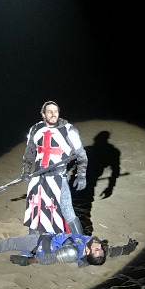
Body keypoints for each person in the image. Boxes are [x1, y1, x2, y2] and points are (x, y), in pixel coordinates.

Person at [21, 101, 88, 235]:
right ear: (43, 114)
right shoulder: (35, 129)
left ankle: (81, 245)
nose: (53, 115)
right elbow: (29, 153)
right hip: (38, 177)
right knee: (35, 212)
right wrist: (26, 171)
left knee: (67, 211)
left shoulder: (69, 130)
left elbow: (81, 155)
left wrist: (81, 175)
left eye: (56, 111)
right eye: (50, 112)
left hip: (58, 177)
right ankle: (32, 246)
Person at [0, 229, 138, 267]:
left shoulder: (72, 251)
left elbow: (50, 259)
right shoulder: (97, 249)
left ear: (88, 252)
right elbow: (115, 251)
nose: (100, 247)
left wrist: (28, 260)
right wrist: (130, 247)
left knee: (7, 244)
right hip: (49, 233)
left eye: (97, 249)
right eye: (101, 249)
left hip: (39, 243)